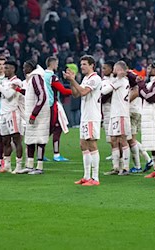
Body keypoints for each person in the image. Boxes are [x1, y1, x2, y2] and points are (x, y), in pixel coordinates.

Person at [64, 55, 102, 186]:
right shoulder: (86, 78)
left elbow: (84, 92)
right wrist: (71, 81)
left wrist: (73, 80)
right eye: (81, 64)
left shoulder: (95, 78)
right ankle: (86, 176)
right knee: (83, 145)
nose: (82, 67)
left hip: (92, 116)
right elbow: (75, 94)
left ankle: (95, 178)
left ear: (92, 65)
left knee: (92, 144)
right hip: (85, 116)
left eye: (85, 64)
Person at [18, 59, 50, 175]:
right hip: (33, 114)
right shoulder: (32, 78)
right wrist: (19, 90)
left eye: (25, 66)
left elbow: (42, 96)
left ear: (31, 67)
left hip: (39, 115)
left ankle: (39, 166)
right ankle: (30, 165)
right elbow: (31, 94)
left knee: (40, 139)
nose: (23, 69)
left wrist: (34, 114)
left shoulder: (36, 77)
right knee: (30, 139)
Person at [101, 61, 131, 176]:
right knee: (113, 140)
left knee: (122, 140)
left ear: (119, 69)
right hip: (115, 114)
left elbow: (104, 91)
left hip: (121, 114)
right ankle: (116, 167)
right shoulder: (119, 80)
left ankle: (126, 168)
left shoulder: (121, 81)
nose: (113, 69)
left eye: (115, 68)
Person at [0, 61, 24, 173]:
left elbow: (9, 95)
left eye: (6, 68)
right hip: (3, 113)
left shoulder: (16, 82)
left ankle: (19, 166)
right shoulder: (5, 82)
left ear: (13, 69)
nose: (4, 70)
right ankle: (7, 165)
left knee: (16, 139)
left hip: (13, 113)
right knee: (5, 140)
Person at [44, 56, 72, 162]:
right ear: (53, 64)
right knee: (57, 128)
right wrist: (75, 91)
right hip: (53, 105)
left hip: (44, 105)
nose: (57, 65)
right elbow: (63, 91)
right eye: (56, 63)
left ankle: (40, 153)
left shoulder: (42, 75)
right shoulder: (52, 76)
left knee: (48, 130)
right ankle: (56, 155)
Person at [126, 70, 153, 173]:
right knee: (132, 139)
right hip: (138, 110)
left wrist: (124, 102)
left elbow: (136, 91)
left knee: (130, 140)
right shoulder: (135, 76)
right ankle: (147, 160)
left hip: (131, 111)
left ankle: (138, 165)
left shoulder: (129, 76)